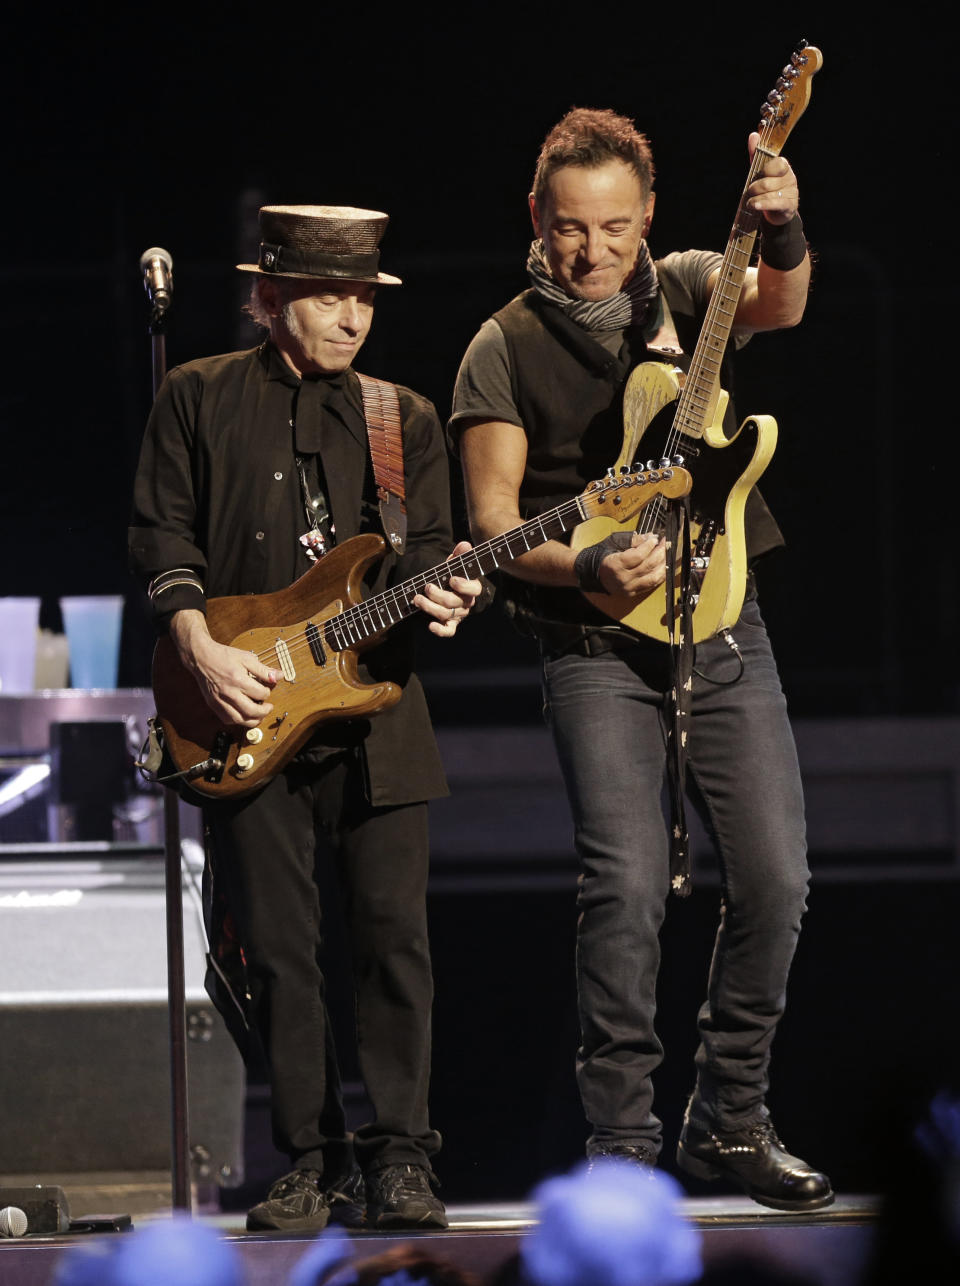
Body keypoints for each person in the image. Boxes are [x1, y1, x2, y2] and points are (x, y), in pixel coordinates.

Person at [450, 107, 832, 1211]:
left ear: (649, 216)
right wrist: (583, 567)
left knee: (776, 878)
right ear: (537, 217)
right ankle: (622, 1145)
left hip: (721, 614)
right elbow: (489, 519)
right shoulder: (504, 343)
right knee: (623, 886)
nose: (595, 250)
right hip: (593, 641)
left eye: (617, 227)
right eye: (572, 228)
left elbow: (782, 300)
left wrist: (788, 222)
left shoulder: (687, 284)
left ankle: (730, 1120)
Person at [129, 204, 480, 1232]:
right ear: (271, 296)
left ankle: (403, 1157)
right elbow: (162, 537)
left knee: (393, 942)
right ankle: (311, 1158)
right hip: (243, 705)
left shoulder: (399, 415)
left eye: (365, 297)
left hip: (377, 706)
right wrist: (199, 646)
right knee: (279, 949)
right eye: (330, 295)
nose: (351, 316)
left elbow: (425, 551)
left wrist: (454, 586)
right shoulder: (196, 395)